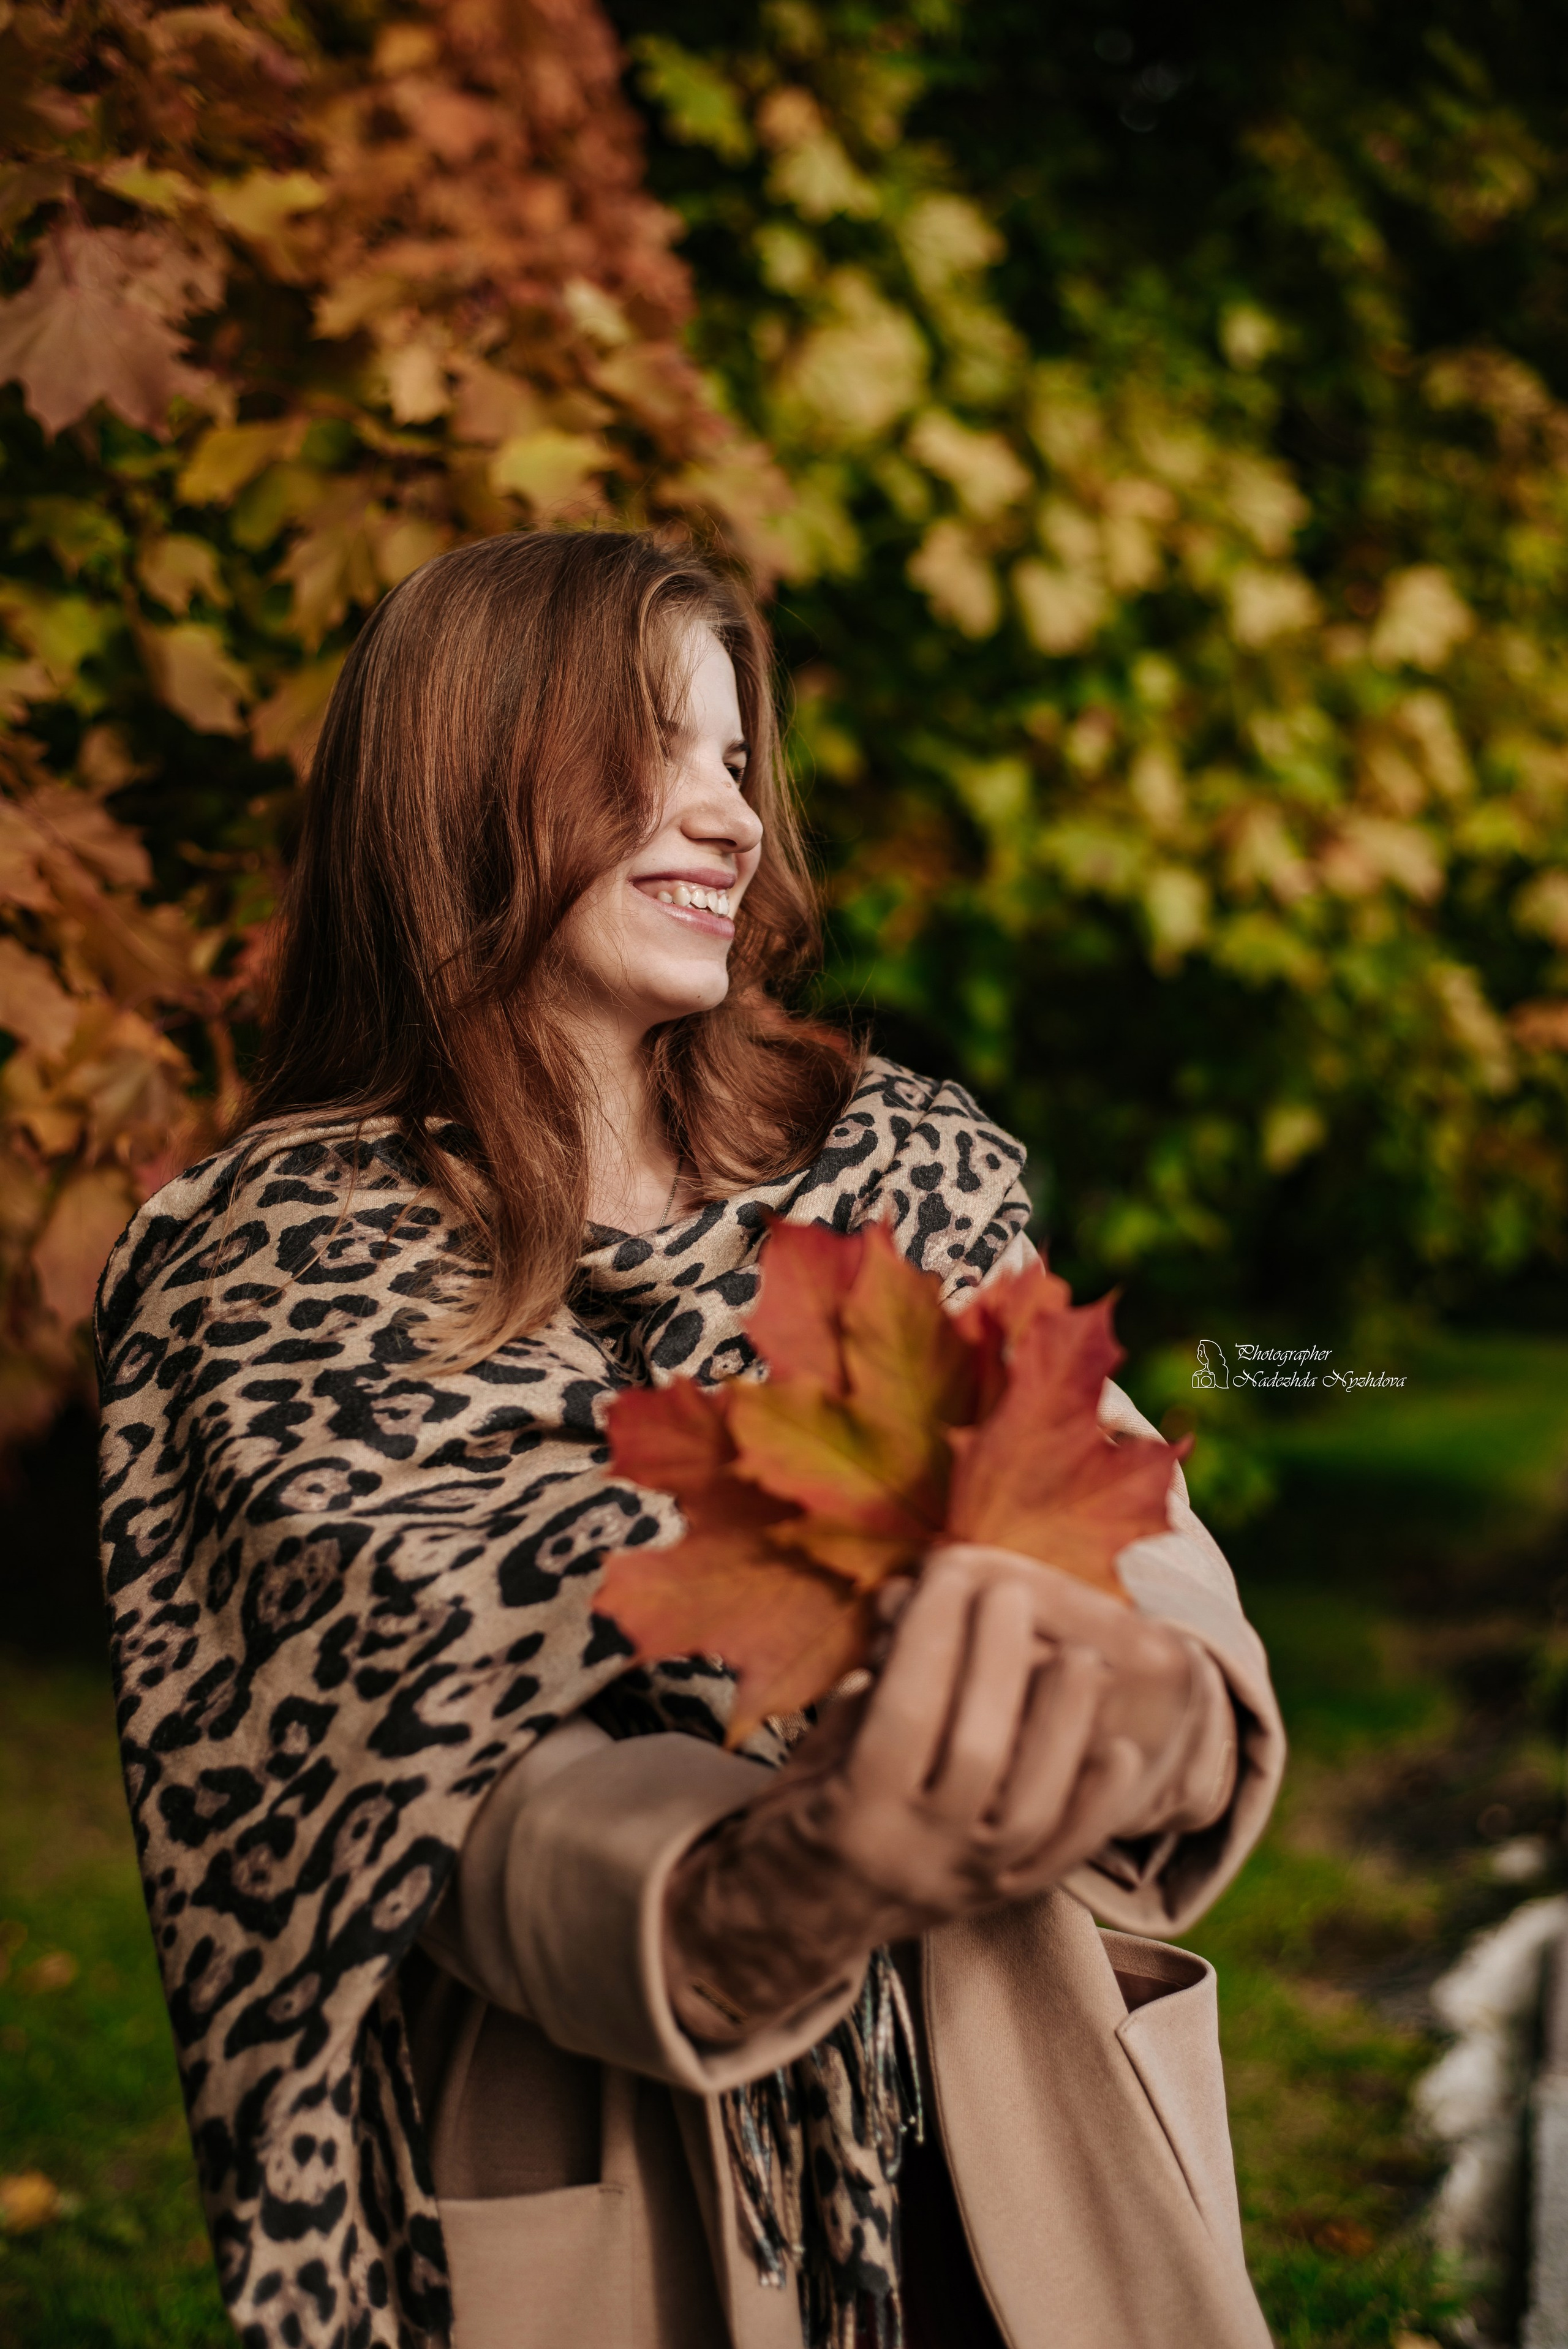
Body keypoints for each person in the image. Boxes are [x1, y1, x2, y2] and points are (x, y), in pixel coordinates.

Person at [96, 529, 1284, 2349]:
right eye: (656, 751)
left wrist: (1146, 1703)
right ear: (468, 775)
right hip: (628, 2200)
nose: (733, 818)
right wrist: (781, 1880)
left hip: (1016, 2146)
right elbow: (421, 1788)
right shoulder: (274, 1272)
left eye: (737, 759)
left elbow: (1118, 1520)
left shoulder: (887, 1172)